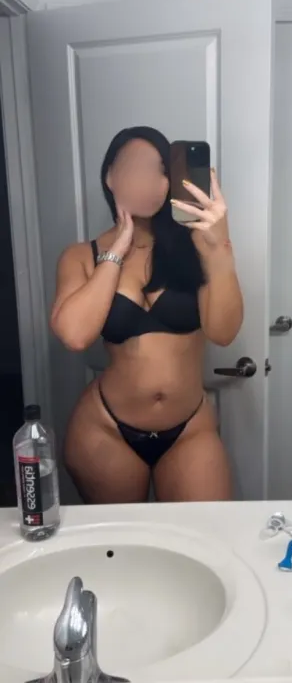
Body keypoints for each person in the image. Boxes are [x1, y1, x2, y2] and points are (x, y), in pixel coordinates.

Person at [50, 126, 243, 503]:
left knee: (203, 533)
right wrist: (117, 249)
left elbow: (223, 333)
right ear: (110, 177)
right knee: (123, 537)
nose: (149, 181)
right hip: (105, 430)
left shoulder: (195, 249)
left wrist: (218, 247)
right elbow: (74, 335)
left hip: (189, 430)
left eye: (160, 171)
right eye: (135, 168)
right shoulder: (81, 256)